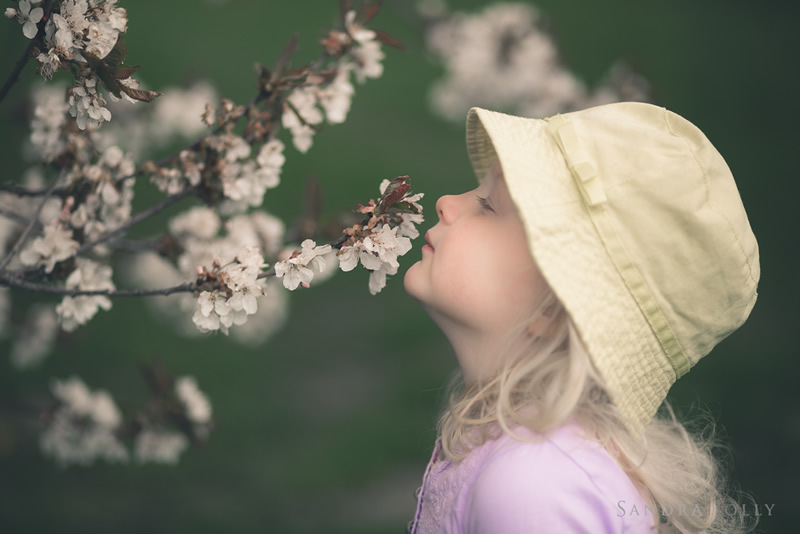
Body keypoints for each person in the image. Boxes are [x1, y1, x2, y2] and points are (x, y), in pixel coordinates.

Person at [403, 102, 760, 533]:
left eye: (488, 205)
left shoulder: (534, 488)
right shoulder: (524, 456)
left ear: (554, 307)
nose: (446, 202)